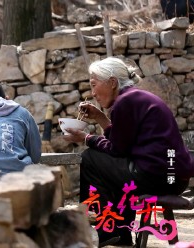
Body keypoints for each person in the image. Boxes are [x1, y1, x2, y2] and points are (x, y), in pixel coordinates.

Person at [65, 57, 194, 246]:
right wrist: (101, 117)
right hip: (173, 179)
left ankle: (108, 229)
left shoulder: (126, 102)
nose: (92, 93)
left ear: (112, 82)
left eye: (94, 85)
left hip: (155, 177)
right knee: (109, 168)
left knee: (90, 158)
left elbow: (116, 149)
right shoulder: (136, 98)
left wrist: (86, 138)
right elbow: (122, 141)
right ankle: (115, 231)